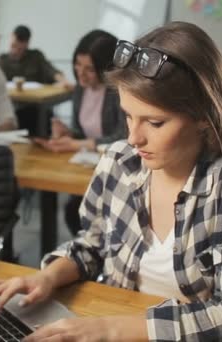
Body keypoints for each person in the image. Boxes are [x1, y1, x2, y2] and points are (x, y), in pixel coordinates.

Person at [0, 22, 222, 341]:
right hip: (111, 317)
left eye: (155, 123)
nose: (133, 138)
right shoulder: (120, 159)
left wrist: (110, 328)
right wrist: (48, 276)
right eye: (128, 116)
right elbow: (92, 245)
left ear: (205, 115)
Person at [36, 29, 127, 236]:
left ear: (106, 69)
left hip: (116, 172)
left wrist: (76, 144)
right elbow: (83, 132)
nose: (80, 73)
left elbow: (123, 137)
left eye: (89, 69)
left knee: (86, 215)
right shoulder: (80, 88)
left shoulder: (119, 91)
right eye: (77, 65)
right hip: (87, 168)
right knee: (74, 212)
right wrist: (68, 133)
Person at [0, 25, 72, 88]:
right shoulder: (3, 59)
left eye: (20, 48)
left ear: (27, 44)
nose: (15, 51)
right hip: (11, 103)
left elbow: (51, 71)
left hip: (33, 105)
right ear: (11, 39)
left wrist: (63, 80)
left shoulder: (36, 56)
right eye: (13, 46)